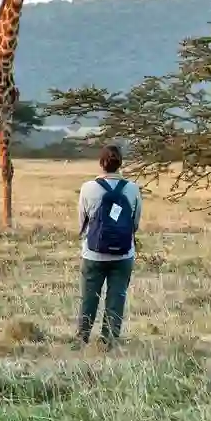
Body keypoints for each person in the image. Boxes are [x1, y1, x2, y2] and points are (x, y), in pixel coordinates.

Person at [75, 144, 142, 348]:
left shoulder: (88, 188)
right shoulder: (132, 189)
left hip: (93, 253)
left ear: (101, 163)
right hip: (123, 254)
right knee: (117, 297)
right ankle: (109, 340)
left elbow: (82, 221)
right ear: (120, 163)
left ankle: (82, 338)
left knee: (89, 297)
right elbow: (135, 223)